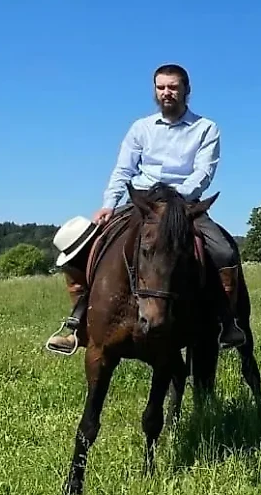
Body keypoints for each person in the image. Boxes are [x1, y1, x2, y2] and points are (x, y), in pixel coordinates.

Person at [45, 64, 247, 355]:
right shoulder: (141, 128)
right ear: (155, 91)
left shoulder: (206, 128)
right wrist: (108, 205)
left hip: (183, 205)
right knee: (80, 246)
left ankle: (227, 322)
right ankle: (77, 323)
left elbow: (203, 173)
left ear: (186, 91)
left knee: (224, 251)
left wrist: (175, 203)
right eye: (161, 87)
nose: (167, 92)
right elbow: (123, 170)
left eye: (173, 87)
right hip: (142, 203)